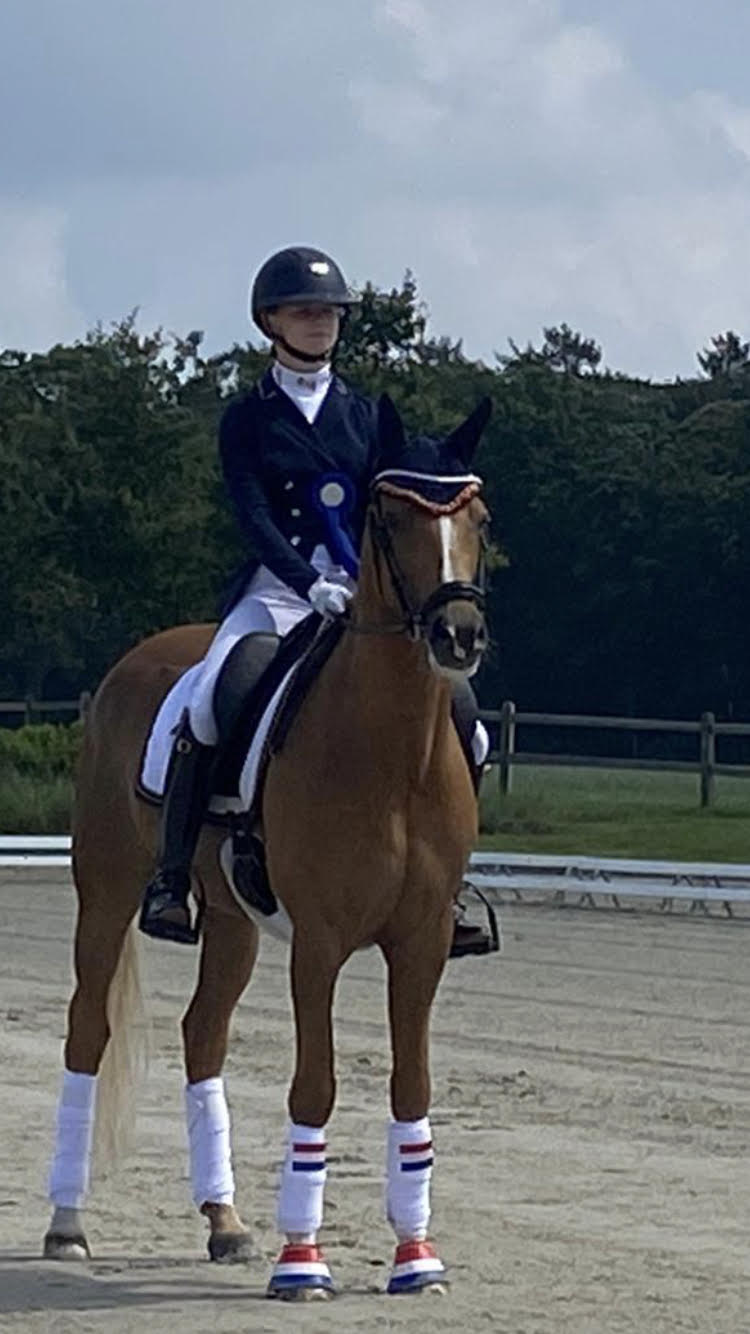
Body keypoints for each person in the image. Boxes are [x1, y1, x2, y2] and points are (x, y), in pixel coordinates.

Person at [138, 245, 491, 956]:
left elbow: (400, 496)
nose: (320, 322)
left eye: (329, 312)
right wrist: (306, 582)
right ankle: (173, 877)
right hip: (277, 593)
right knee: (215, 695)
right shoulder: (249, 418)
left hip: (364, 597)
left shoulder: (364, 416)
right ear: (271, 321)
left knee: (465, 718)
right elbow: (253, 515)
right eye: (305, 311)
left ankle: (446, 887)